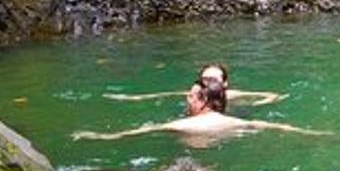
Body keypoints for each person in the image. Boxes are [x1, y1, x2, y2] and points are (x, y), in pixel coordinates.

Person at [74, 81, 326, 141]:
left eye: (191, 95)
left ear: (203, 100)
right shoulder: (231, 121)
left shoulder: (183, 125)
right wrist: (314, 133)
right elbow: (274, 127)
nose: (187, 97)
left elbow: (136, 132)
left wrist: (98, 136)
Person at [104, 62, 286, 107]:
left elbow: (273, 95)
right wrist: (132, 98)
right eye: (205, 79)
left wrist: (256, 104)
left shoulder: (232, 96)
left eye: (213, 80)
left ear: (225, 83)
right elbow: (165, 95)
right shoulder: (196, 94)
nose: (208, 83)